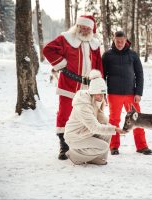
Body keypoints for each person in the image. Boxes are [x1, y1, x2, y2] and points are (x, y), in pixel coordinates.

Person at [43, 15, 104, 160]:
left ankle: (81, 144)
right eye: (82, 27)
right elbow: (48, 49)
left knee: (88, 115)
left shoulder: (95, 44)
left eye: (88, 27)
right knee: (65, 114)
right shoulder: (66, 39)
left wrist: (99, 86)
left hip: (88, 88)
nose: (85, 29)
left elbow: (99, 65)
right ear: (77, 26)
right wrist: (62, 64)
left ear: (91, 29)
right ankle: (64, 146)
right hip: (69, 85)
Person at [102, 31, 152, 155]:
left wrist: (138, 93)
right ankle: (113, 146)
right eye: (117, 41)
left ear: (126, 41)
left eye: (122, 41)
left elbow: (139, 74)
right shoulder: (107, 56)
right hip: (114, 94)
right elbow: (102, 75)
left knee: (137, 119)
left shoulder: (133, 55)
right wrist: (103, 93)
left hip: (131, 94)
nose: (119, 44)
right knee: (114, 120)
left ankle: (142, 146)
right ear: (113, 40)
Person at [64, 70, 125, 165]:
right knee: (103, 146)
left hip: (86, 133)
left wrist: (112, 127)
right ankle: (75, 156)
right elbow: (94, 127)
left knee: (107, 131)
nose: (101, 96)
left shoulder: (95, 100)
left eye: (103, 93)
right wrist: (115, 129)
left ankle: (98, 158)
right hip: (75, 137)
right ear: (93, 92)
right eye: (99, 93)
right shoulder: (83, 105)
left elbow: (102, 120)